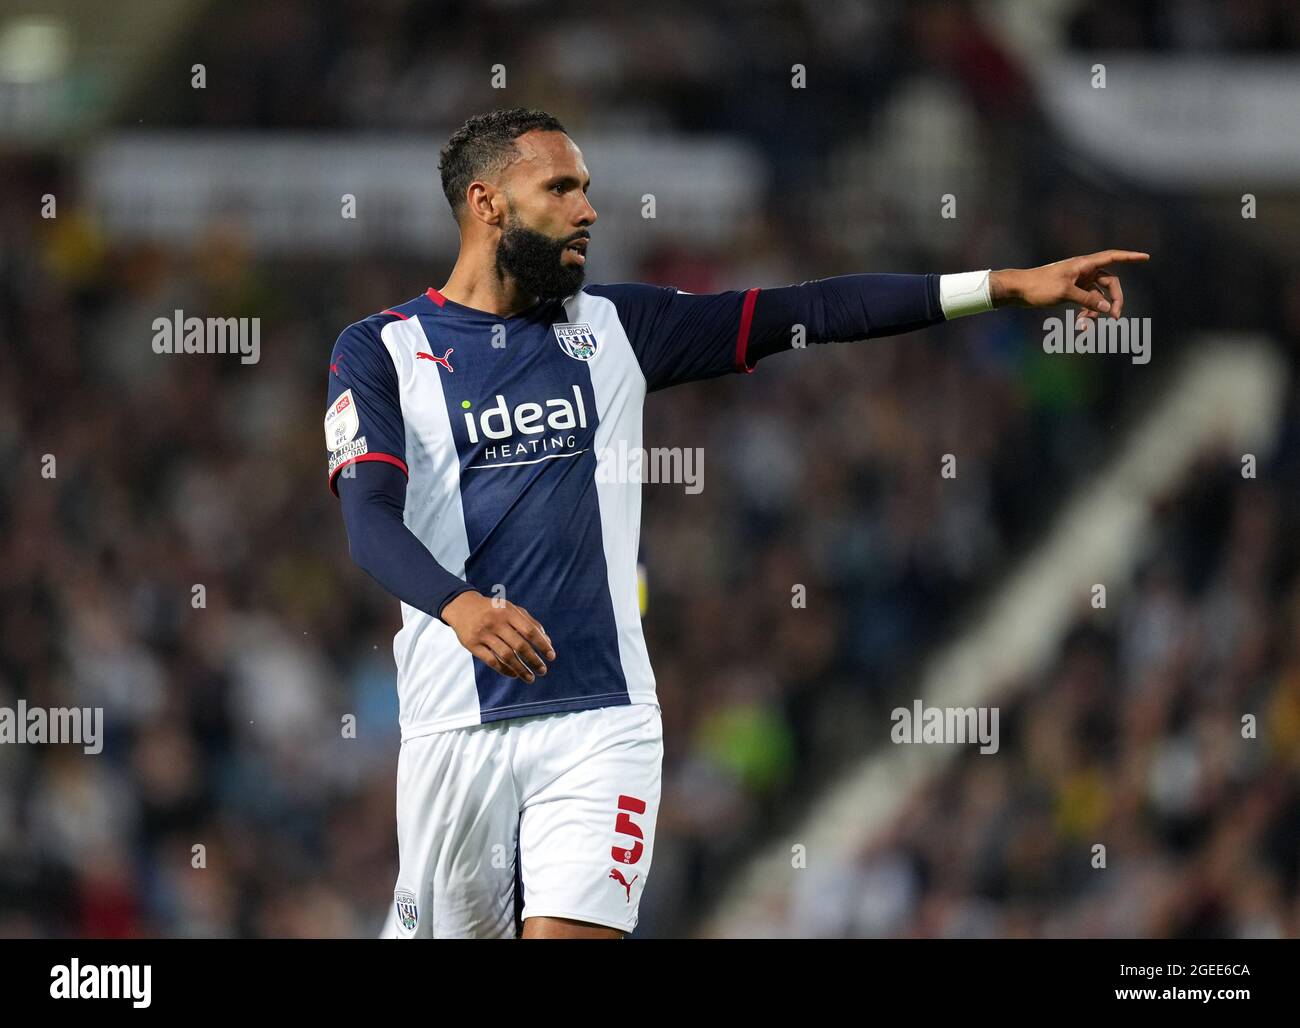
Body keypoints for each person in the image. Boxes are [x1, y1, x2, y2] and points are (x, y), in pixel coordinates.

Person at [325, 106, 1148, 939]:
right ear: (487, 203)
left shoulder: (617, 329)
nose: (589, 210)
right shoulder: (380, 351)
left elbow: (811, 311)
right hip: (454, 727)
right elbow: (369, 522)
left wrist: (1002, 286)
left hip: (602, 720)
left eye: (588, 188)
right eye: (562, 188)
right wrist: (461, 606)